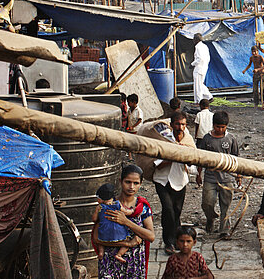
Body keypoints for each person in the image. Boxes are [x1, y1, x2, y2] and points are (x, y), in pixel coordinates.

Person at [93, 164, 155, 279]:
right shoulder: (109, 205)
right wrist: (127, 244)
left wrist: (126, 222)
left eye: (136, 183)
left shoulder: (142, 207)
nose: (131, 187)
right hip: (109, 263)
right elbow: (96, 238)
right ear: (120, 181)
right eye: (128, 182)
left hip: (134, 264)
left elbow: (151, 236)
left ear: (141, 184)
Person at [153, 112, 194, 254]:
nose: (180, 127)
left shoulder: (188, 141)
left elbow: (192, 164)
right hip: (162, 180)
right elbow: (157, 165)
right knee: (168, 209)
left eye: (183, 124)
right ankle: (168, 242)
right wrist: (174, 155)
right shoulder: (164, 139)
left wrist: (185, 154)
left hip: (179, 180)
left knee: (176, 212)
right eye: (177, 124)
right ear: (171, 125)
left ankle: (177, 240)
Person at [196, 111, 240, 235]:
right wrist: (199, 174)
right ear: (213, 125)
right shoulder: (207, 139)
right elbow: (201, 158)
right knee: (207, 203)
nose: (220, 129)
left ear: (226, 126)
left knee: (226, 204)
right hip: (210, 177)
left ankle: (224, 230)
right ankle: (210, 218)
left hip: (227, 178)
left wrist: (239, 175)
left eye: (223, 127)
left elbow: (237, 159)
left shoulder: (231, 139)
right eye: (218, 127)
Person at [93, 183, 134, 263]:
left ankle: (101, 252)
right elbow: (126, 212)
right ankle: (119, 254)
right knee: (128, 241)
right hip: (118, 232)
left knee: (100, 242)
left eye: (98, 198)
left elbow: (94, 219)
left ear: (102, 199)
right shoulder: (117, 205)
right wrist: (132, 210)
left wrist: (99, 217)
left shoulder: (99, 207)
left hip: (104, 232)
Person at [191, 34, 213, 104]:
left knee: (197, 86)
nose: (193, 40)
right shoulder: (205, 46)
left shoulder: (198, 47)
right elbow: (207, 58)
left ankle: (198, 101)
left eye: (194, 39)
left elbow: (199, 59)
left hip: (199, 68)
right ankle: (209, 97)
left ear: (196, 39)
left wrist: (192, 64)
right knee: (200, 84)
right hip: (204, 68)